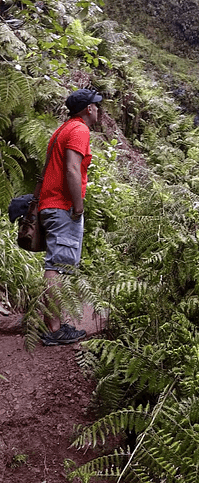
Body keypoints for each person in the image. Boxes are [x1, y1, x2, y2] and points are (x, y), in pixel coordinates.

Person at [38, 88, 102, 346]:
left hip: (50, 203)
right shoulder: (79, 130)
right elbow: (72, 168)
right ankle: (54, 330)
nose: (99, 110)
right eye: (96, 106)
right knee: (58, 267)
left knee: (57, 264)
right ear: (88, 109)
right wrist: (78, 206)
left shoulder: (63, 129)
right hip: (62, 206)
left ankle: (53, 324)